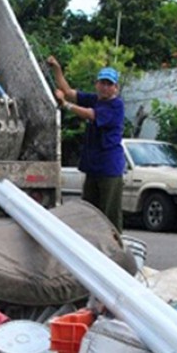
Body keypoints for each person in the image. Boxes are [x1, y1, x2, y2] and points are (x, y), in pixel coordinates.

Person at [46, 57, 125, 232]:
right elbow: (67, 90)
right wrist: (57, 69)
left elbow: (91, 115)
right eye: (102, 83)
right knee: (89, 213)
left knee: (109, 217)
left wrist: (65, 105)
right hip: (93, 168)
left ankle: (114, 252)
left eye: (109, 84)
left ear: (115, 88)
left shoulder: (115, 105)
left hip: (109, 170)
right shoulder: (95, 99)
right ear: (96, 84)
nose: (105, 87)